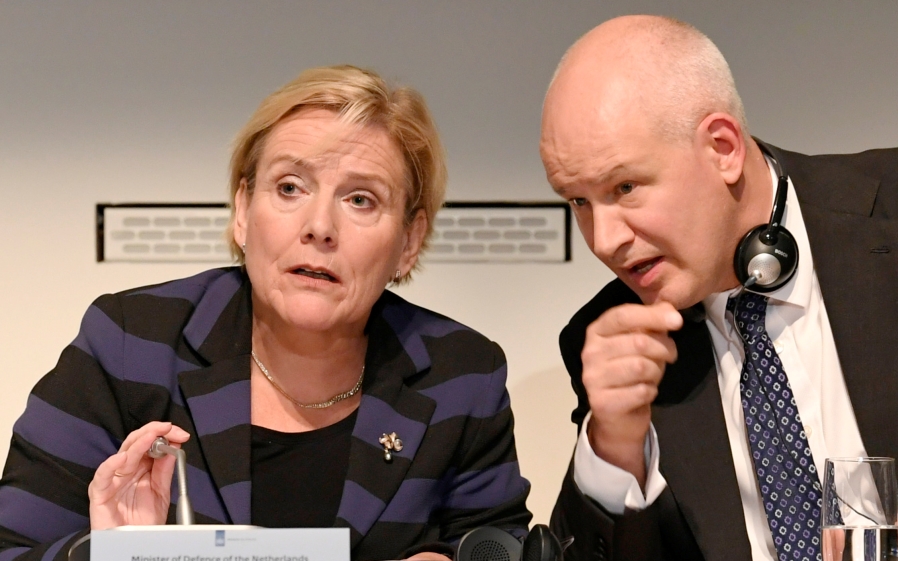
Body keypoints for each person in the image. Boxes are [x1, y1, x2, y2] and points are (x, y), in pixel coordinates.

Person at [0, 65, 530, 561]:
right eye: (290, 187)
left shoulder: (461, 376)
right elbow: (15, 546)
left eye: (361, 200)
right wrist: (114, 556)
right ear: (242, 212)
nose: (319, 226)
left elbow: (499, 543)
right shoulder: (131, 345)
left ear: (409, 242)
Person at [540, 15, 898, 561]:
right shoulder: (611, 338)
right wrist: (612, 447)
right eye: (579, 201)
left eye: (626, 186)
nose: (605, 239)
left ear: (723, 148)